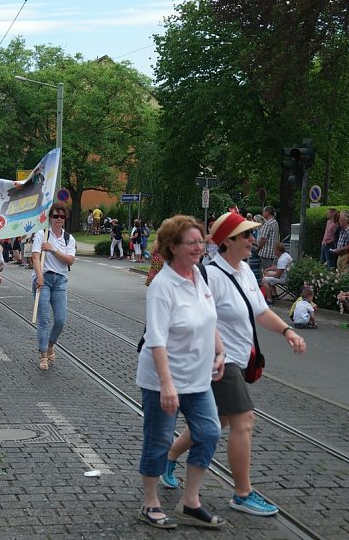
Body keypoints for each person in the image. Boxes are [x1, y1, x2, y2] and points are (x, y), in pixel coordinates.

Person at [161, 212, 306, 520]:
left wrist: (287, 331)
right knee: (244, 420)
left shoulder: (245, 272)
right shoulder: (210, 275)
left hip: (240, 360)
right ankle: (242, 493)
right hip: (219, 361)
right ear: (228, 240)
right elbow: (197, 316)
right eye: (247, 235)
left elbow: (261, 312)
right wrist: (214, 351)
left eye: (252, 234)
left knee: (219, 420)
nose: (253, 240)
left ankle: (169, 456)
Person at [136, 215, 224, 530]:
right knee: (159, 439)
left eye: (201, 241)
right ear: (173, 247)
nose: (199, 247)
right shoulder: (162, 286)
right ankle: (150, 502)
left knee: (209, 432)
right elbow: (156, 339)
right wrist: (167, 385)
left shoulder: (199, 274)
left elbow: (209, 317)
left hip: (197, 378)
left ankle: (190, 501)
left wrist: (220, 351)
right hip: (163, 379)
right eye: (192, 243)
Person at [32, 203, 76, 370]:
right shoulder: (42, 234)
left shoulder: (68, 238)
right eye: (56, 216)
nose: (59, 219)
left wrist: (53, 249)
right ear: (50, 218)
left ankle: (50, 344)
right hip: (43, 279)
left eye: (62, 216)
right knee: (44, 319)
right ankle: (43, 355)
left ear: (65, 219)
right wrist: (39, 276)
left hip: (60, 281)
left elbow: (70, 260)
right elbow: (35, 257)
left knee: (60, 320)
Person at [256, 206, 279, 271]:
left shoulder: (267, 224)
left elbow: (263, 239)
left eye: (264, 212)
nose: (262, 213)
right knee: (271, 271)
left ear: (267, 212)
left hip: (265, 253)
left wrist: (258, 249)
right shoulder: (275, 222)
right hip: (272, 252)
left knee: (266, 271)